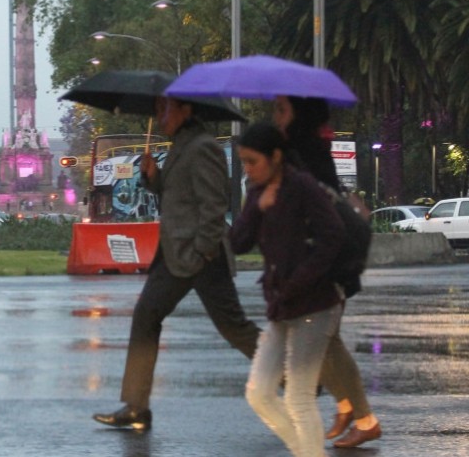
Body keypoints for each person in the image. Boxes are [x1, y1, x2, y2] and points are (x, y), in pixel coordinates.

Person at [92, 97, 261, 431]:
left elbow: (214, 202)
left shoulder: (203, 147)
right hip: (174, 254)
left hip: (202, 255)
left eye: (164, 109)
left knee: (233, 327)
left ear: (186, 110)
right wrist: (152, 178)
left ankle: (291, 374)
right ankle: (136, 406)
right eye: (157, 109)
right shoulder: (182, 145)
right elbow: (175, 194)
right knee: (146, 315)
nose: (159, 116)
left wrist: (203, 249)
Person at [274, 95, 382, 448]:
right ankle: (349, 407)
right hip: (327, 257)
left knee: (321, 339)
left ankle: (362, 417)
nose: (276, 117)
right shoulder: (306, 148)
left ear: (299, 115)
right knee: (325, 340)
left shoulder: (303, 153)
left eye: (281, 110)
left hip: (328, 259)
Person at [231, 122, 345, 457]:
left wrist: (300, 280)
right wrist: (257, 206)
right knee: (259, 392)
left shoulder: (303, 186)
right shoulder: (256, 191)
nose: (248, 169)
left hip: (316, 304)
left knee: (298, 398)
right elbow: (238, 242)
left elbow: (333, 236)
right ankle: (305, 451)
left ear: (276, 156)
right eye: (244, 163)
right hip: (283, 305)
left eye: (253, 161)